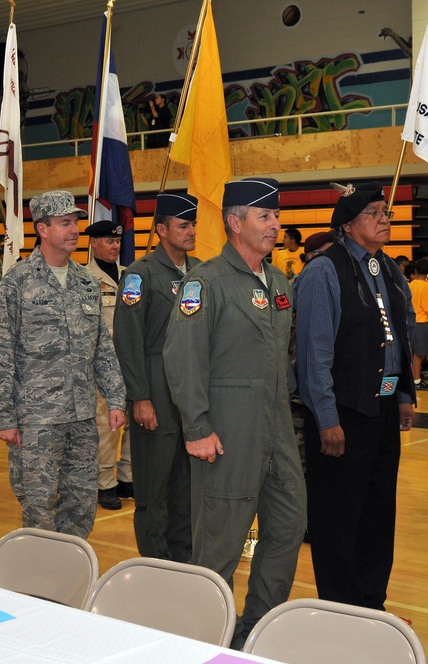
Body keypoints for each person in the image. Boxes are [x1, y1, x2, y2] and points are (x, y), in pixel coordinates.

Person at [163, 178, 306, 646]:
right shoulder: (205, 283)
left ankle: (255, 632)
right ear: (233, 222)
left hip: (278, 433)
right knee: (219, 545)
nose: (275, 225)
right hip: (226, 432)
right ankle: (205, 637)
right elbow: (182, 355)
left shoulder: (279, 281)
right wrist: (197, 426)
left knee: (288, 528)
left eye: (276, 216)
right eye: (265, 217)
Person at [295, 181, 415, 611]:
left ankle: (371, 602)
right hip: (341, 412)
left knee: (379, 511)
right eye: (376, 214)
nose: (385, 220)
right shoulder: (323, 271)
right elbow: (314, 354)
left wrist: (403, 392)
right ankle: (341, 606)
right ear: (348, 225)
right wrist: (326, 418)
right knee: (338, 515)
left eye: (388, 214)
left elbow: (396, 335)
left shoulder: (389, 269)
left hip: (381, 410)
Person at [0, 191, 126, 538]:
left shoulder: (87, 282)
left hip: (81, 417)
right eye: (65, 223)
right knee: (38, 505)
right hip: (36, 421)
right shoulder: (18, 281)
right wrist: (2, 416)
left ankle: (67, 579)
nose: (74, 230)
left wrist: (117, 398)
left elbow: (102, 347)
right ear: (43, 229)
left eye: (75, 222)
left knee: (81, 502)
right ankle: (36, 584)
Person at [113, 192, 200, 561]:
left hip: (189, 393)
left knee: (186, 485)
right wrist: (140, 396)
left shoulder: (199, 271)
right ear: (162, 229)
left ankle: (182, 560)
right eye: (184, 225)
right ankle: (155, 563)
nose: (192, 231)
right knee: (153, 488)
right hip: (156, 388)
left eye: (193, 223)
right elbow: (127, 338)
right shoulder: (140, 275)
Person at [84, 219, 132, 510]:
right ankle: (105, 483)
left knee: (134, 425)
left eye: (117, 241)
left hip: (130, 363)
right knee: (106, 427)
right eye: (108, 241)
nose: (115, 246)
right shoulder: (85, 278)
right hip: (102, 367)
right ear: (93, 243)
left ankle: (127, 477)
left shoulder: (131, 276)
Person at [408, 258, 428, 391]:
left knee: (412, 353)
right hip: (421, 322)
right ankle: (416, 380)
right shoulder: (427, 286)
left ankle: (413, 378)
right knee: (419, 354)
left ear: (415, 270)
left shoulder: (410, 285)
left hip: (409, 322)